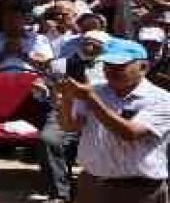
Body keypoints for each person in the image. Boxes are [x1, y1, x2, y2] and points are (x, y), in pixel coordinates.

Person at [58, 38, 170, 203]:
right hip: (92, 183)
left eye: (120, 66)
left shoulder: (161, 99)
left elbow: (130, 133)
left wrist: (91, 99)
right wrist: (67, 98)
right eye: (107, 65)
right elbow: (70, 126)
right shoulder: (95, 89)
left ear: (143, 67)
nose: (111, 70)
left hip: (138, 190)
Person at [37, 29, 110, 203]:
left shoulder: (111, 67)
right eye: (86, 42)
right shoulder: (59, 65)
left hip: (99, 114)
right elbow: (42, 90)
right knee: (49, 138)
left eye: (96, 44)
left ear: (105, 48)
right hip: (65, 110)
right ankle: (60, 193)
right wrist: (42, 90)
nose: (89, 46)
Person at [0, 5, 54, 73]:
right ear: (3, 21)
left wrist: (23, 54)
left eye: (16, 18)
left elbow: (47, 65)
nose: (12, 23)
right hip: (1, 76)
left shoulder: (40, 39)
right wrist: (4, 53)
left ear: (24, 20)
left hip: (30, 76)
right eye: (8, 19)